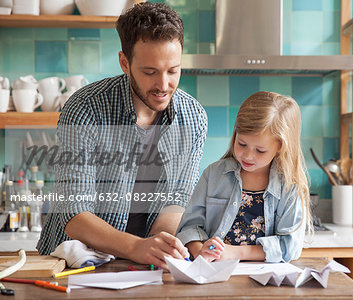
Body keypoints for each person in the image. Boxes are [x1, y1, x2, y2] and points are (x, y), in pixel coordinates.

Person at [37, 2, 207, 270]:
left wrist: (159, 243)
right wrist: (137, 247)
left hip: (144, 265)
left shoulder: (194, 117)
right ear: (125, 63)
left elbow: (178, 199)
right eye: (150, 72)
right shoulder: (85, 109)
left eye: (173, 71)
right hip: (75, 264)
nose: (164, 85)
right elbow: (74, 213)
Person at [176, 91, 311, 262]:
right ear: (236, 134)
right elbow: (188, 228)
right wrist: (200, 250)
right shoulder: (213, 174)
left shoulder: (289, 186)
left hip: (263, 278)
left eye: (260, 150)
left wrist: (234, 252)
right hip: (213, 272)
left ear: (280, 147)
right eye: (242, 144)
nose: (247, 156)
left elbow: (289, 247)